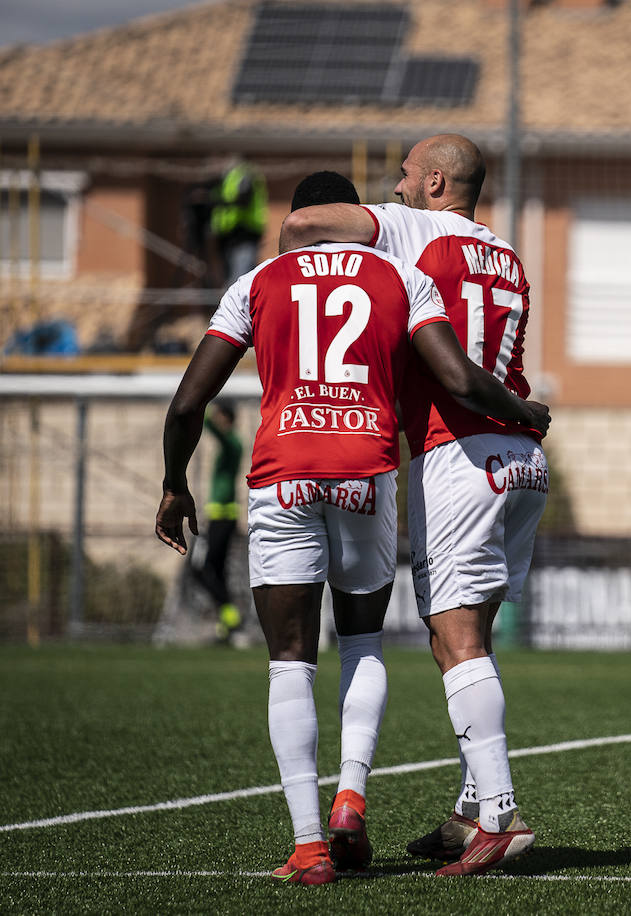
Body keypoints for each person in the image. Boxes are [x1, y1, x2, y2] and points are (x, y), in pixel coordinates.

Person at [156, 171, 549, 886]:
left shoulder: (258, 280)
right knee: (364, 639)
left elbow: (188, 403)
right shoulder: (401, 276)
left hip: (283, 471)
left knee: (290, 662)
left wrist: (173, 484)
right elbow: (457, 375)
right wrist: (523, 411)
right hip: (369, 466)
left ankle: (309, 848)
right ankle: (352, 799)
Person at [281, 133, 547, 876]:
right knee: (470, 641)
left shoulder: (415, 228)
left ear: (435, 183)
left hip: (459, 449)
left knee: (455, 638)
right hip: (521, 456)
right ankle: (469, 812)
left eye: (402, 177)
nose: (391, 189)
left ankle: (499, 817)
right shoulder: (509, 254)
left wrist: (288, 296)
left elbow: (305, 227)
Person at [192, 399, 245, 642]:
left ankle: (230, 613)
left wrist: (196, 405)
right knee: (217, 571)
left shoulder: (233, 442)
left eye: (218, 415)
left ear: (226, 418)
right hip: (220, 516)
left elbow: (213, 431)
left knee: (202, 569)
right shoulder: (232, 444)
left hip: (223, 516)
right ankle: (226, 622)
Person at [212, 157, 268, 287]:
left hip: (244, 233)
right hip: (227, 235)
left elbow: (244, 198)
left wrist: (219, 202)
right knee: (231, 280)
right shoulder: (226, 177)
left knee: (239, 281)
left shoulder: (244, 173)